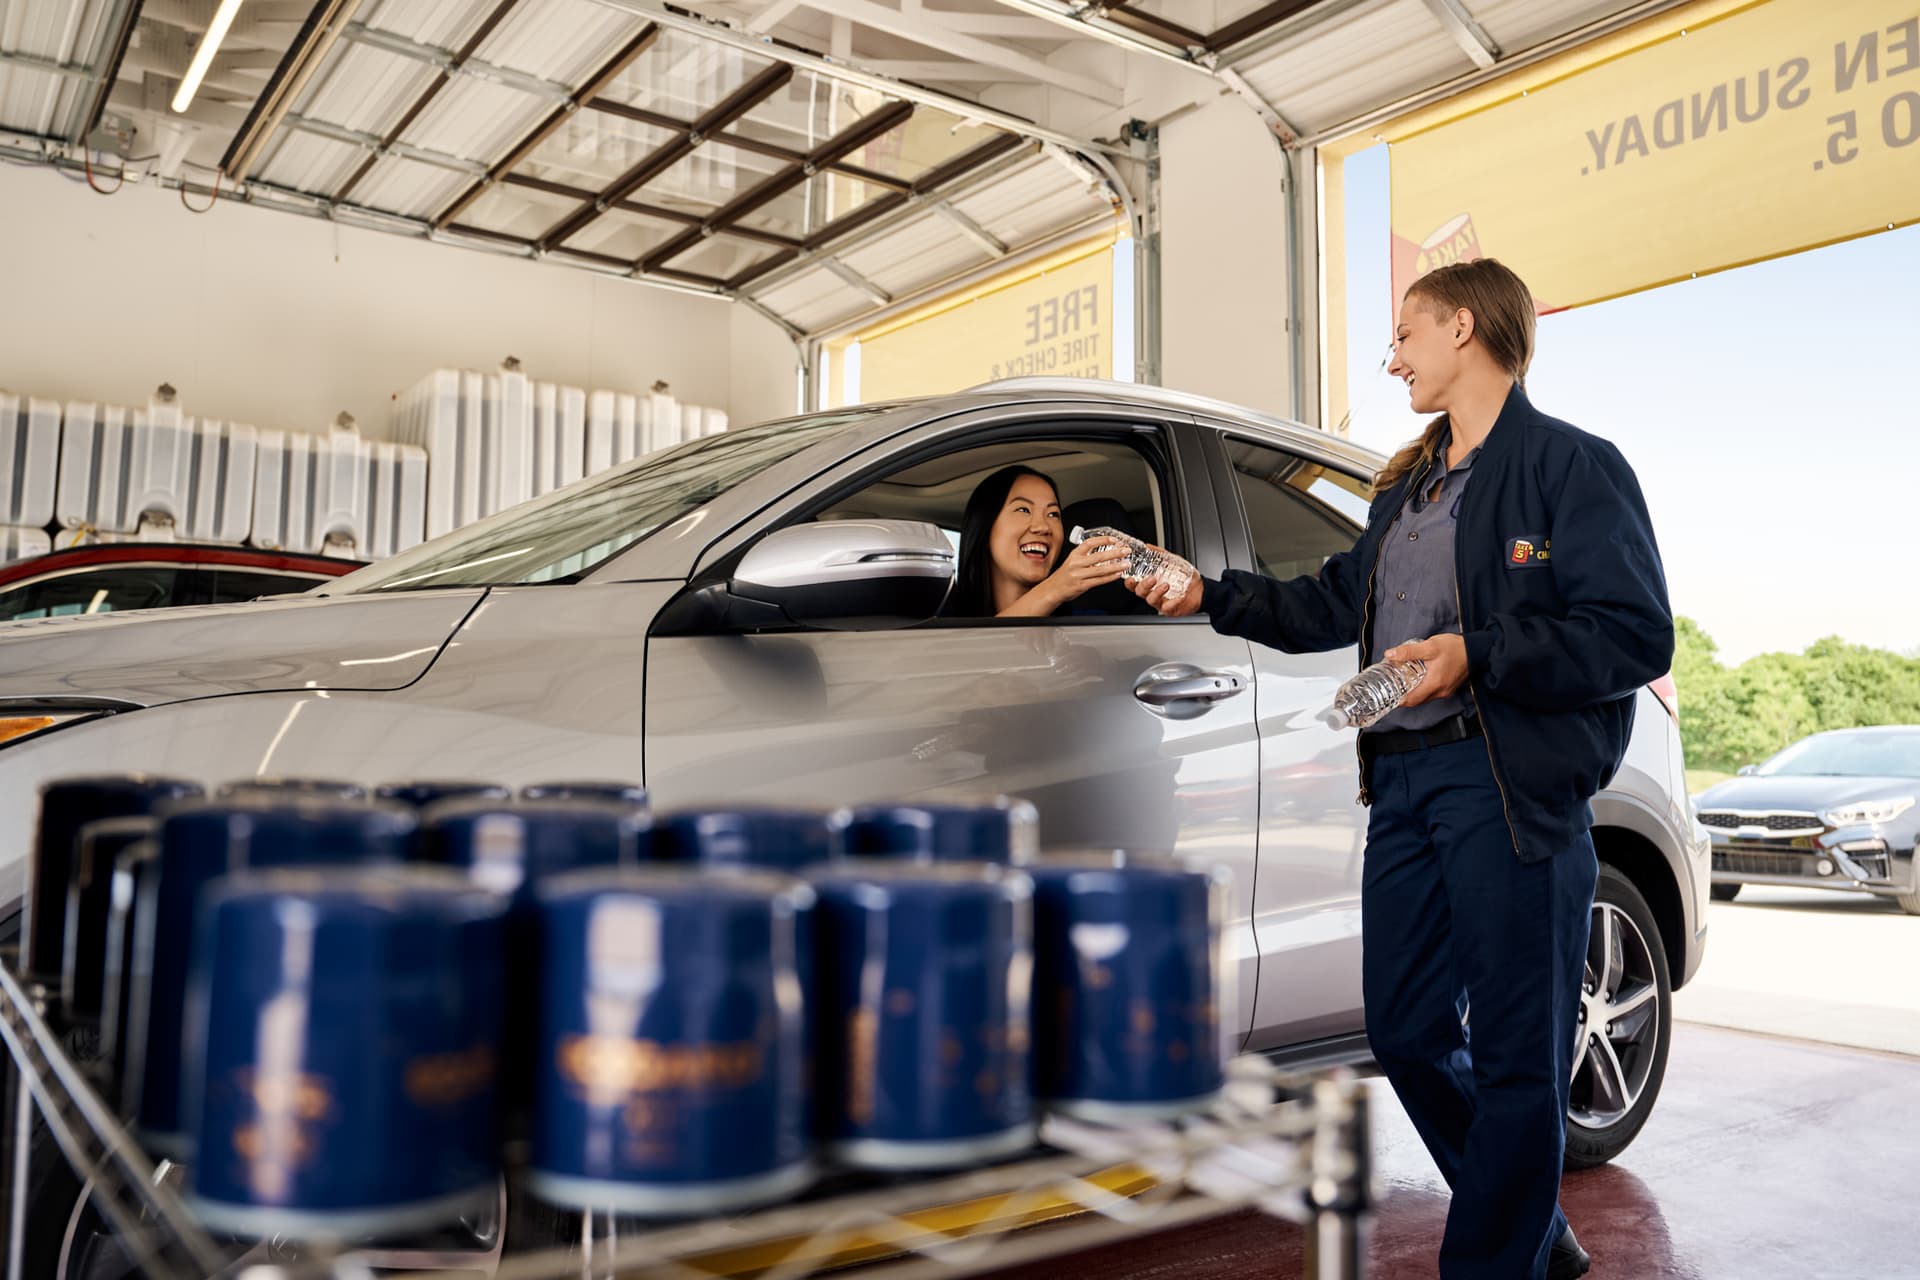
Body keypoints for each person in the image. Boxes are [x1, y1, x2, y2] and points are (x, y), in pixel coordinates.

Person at [1132, 258, 1672, 1280]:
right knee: (1406, 1024)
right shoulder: (1409, 488)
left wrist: (1477, 652)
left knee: (1518, 1052)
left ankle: (1492, 1259)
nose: (1394, 361)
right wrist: (1208, 589)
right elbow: (1330, 604)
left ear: (1463, 326)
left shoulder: (1570, 467)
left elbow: (1636, 632)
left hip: (1506, 783)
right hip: (1409, 781)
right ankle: (1531, 1229)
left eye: (1406, 337)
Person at [945, 465, 1131, 617]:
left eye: (1053, 514)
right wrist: (1053, 589)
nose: (1043, 527)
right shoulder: (936, 624)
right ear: (985, 529)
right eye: (1023, 510)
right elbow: (968, 654)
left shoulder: (1090, 626)